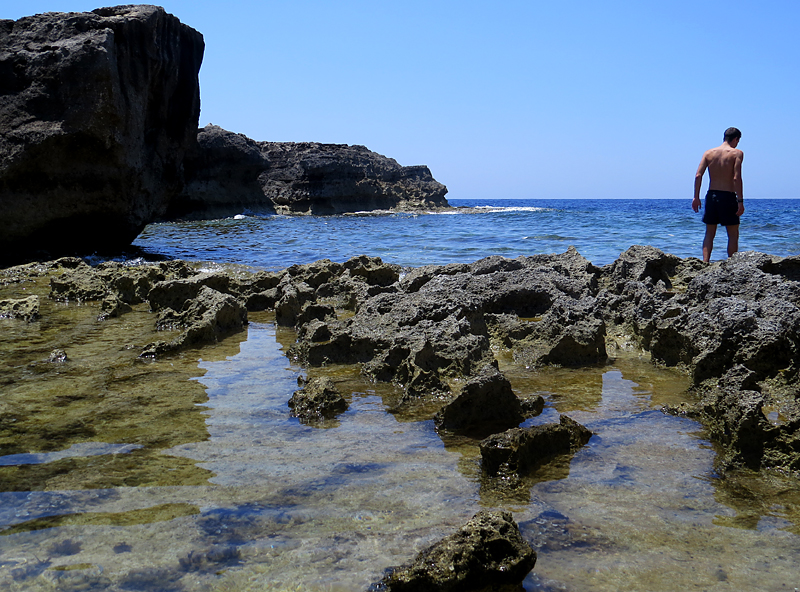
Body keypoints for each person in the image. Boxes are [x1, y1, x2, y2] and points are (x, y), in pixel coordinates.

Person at [692, 127, 745, 262]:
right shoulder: (736, 153)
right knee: (733, 234)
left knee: (709, 233)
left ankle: (705, 262)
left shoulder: (709, 153)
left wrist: (696, 197)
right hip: (728, 196)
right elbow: (736, 178)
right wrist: (740, 201)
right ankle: (732, 263)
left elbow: (698, 175)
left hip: (712, 196)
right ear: (736, 139)